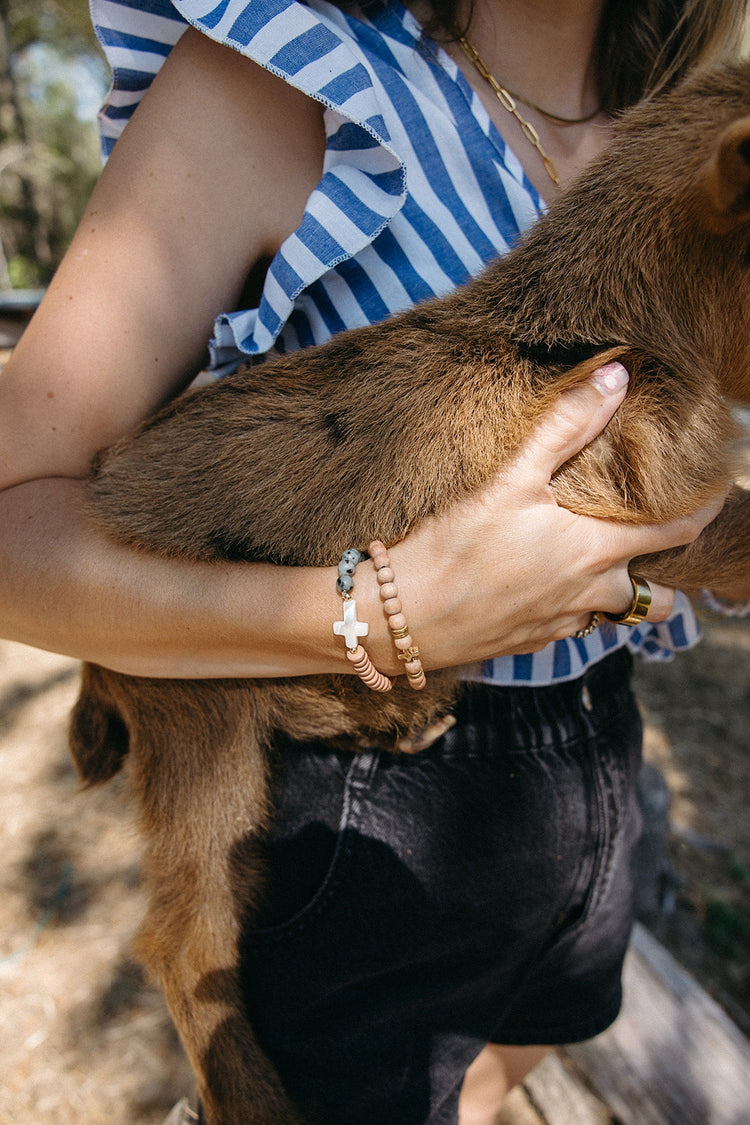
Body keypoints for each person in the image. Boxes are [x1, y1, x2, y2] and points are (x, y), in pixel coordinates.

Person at [0, 0, 745, 1122]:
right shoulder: (282, 82)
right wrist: (372, 612)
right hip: (361, 804)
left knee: (510, 1063)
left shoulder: (670, 122)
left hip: (591, 768)